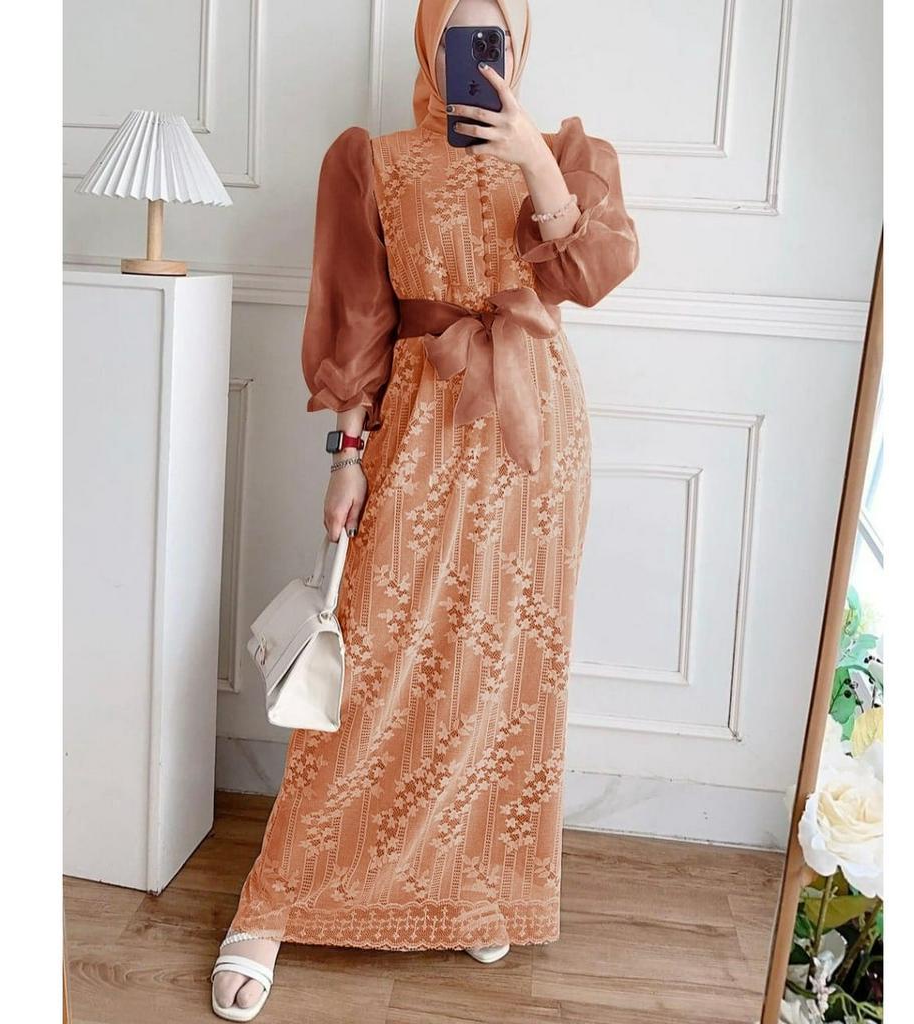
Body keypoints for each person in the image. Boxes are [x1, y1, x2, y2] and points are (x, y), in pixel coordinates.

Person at [211, 0, 639, 1017]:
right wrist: (346, 457)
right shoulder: (375, 161)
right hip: (417, 424)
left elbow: (596, 272)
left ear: (517, 47)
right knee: (371, 658)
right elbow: (357, 317)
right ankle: (271, 905)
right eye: (458, 34)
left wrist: (532, 159)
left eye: (494, 38)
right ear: (426, 40)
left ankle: (474, 885)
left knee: (507, 667)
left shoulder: (570, 154)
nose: (474, 58)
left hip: (533, 442)